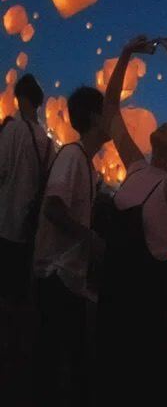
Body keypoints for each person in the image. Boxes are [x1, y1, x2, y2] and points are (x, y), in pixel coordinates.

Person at [96, 34, 167, 400]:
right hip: (111, 297)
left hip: (141, 316)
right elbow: (110, 111)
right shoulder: (138, 168)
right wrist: (125, 53)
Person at [31, 86, 106, 405]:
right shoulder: (73, 157)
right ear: (93, 117)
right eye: (108, 112)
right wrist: (88, 237)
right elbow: (53, 207)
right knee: (60, 359)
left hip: (68, 277)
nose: (114, 119)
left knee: (67, 358)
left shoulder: (87, 165)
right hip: (56, 273)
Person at [0, 72, 51, 394]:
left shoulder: (13, 130)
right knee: (18, 292)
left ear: (22, 99)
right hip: (28, 226)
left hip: (5, 218)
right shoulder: (46, 141)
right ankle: (15, 347)